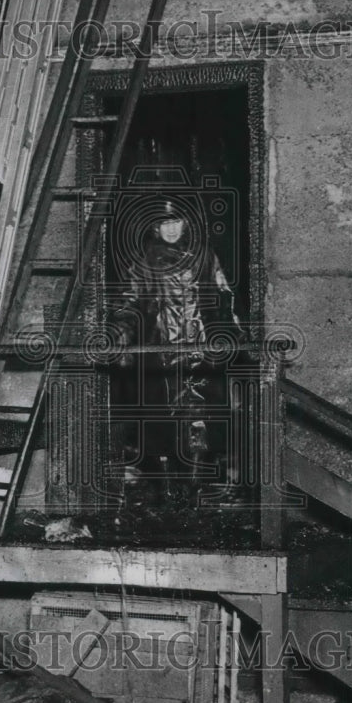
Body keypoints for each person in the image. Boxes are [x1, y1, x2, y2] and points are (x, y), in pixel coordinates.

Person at [110, 195, 244, 488]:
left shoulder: (204, 255)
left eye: (176, 221)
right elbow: (129, 302)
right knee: (162, 423)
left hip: (201, 353)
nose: (171, 229)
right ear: (155, 227)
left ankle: (194, 489)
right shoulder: (144, 262)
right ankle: (168, 490)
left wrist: (234, 332)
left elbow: (224, 294)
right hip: (159, 355)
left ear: (186, 224)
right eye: (164, 223)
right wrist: (120, 334)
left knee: (200, 419)